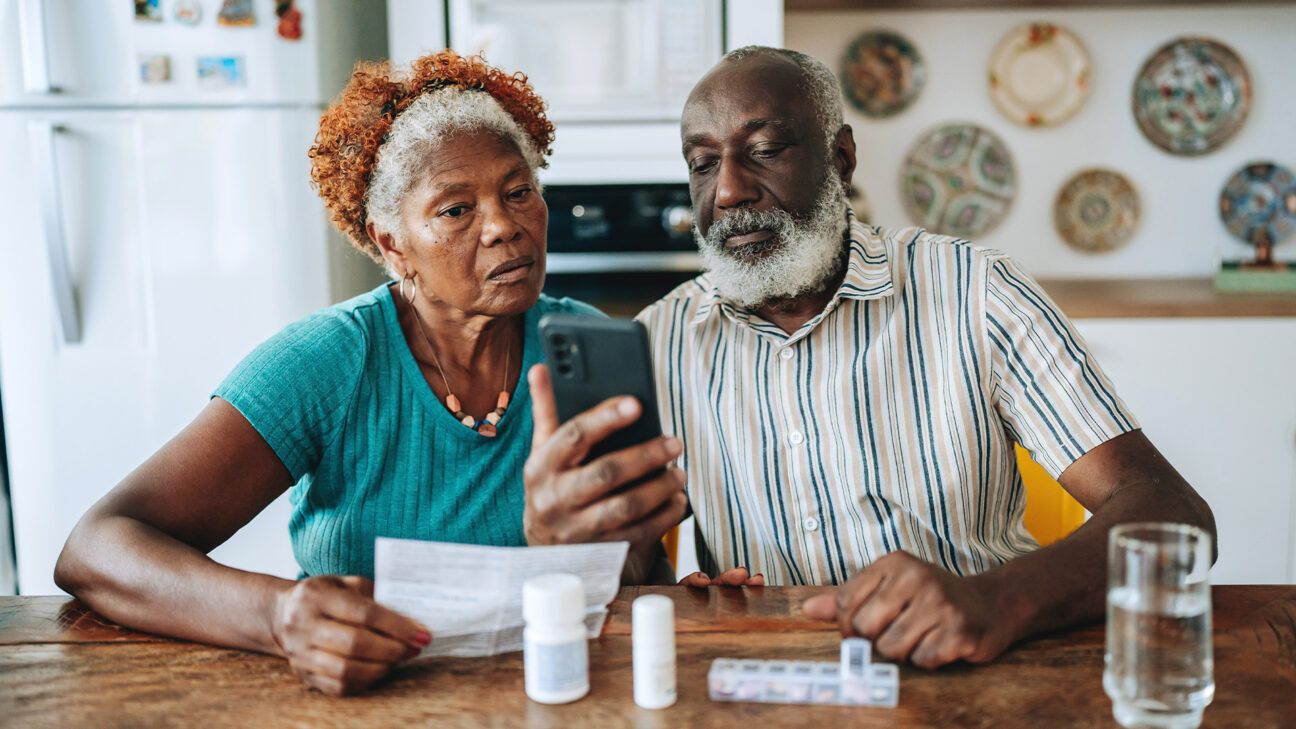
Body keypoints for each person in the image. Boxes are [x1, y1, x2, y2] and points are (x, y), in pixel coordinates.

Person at [527, 46, 1216, 669]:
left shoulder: (974, 293)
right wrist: (619, 563)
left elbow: (1172, 515)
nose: (729, 191)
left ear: (842, 157)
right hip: (773, 683)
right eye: (703, 164)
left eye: (763, 149)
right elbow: (633, 575)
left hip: (983, 675)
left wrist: (994, 601)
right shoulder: (663, 338)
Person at [53, 51, 687, 696]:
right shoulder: (326, 361)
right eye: (455, 209)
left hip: (560, 693)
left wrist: (585, 553)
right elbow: (98, 547)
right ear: (391, 245)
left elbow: (640, 578)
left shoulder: (586, 347)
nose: (504, 226)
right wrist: (277, 617)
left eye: (519, 192)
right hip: (366, 700)